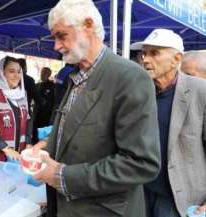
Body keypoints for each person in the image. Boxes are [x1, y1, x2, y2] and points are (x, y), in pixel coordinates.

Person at [31, 0, 161, 216]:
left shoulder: (129, 77)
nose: (56, 46)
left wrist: (61, 176)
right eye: (54, 38)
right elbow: (76, 134)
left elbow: (141, 163)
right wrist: (45, 148)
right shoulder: (75, 77)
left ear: (88, 26)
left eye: (61, 35)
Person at [132, 28, 206, 217]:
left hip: (179, 201)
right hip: (141, 192)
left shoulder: (200, 91)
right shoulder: (140, 91)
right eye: (144, 53)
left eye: (155, 53)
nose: (146, 59)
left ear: (176, 59)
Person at [33, 67, 55, 143]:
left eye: (45, 73)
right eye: (42, 73)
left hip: (46, 115)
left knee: (42, 134)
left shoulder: (52, 86)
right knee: (34, 132)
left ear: (49, 75)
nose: (42, 75)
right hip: (36, 114)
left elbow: (53, 101)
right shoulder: (37, 85)